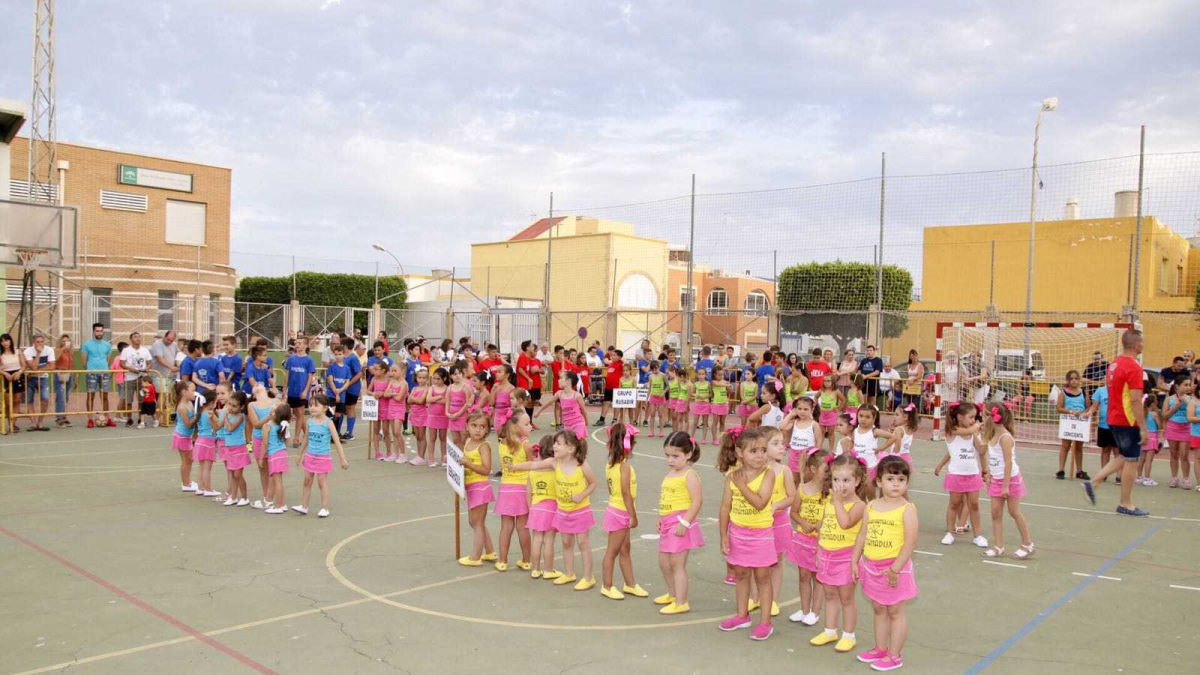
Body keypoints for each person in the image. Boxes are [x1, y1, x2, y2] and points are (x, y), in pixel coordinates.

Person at [851, 455, 920, 671]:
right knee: (879, 608)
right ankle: (880, 648)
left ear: (907, 483)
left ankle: (895, 655)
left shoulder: (907, 509)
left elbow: (910, 542)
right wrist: (854, 561)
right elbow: (862, 536)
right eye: (890, 479)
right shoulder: (871, 506)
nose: (896, 484)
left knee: (895, 611)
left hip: (894, 569)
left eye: (901, 480)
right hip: (872, 567)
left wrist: (895, 569)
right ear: (879, 481)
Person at [512, 430, 598, 590]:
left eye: (558, 444)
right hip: (563, 511)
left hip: (580, 510)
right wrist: (515, 467)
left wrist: (582, 495)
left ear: (570, 448)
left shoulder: (582, 465)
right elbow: (533, 465)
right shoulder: (554, 463)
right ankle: (569, 573)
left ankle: (588, 577)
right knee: (566, 543)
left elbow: (593, 483)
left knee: (583, 543)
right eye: (554, 443)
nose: (554, 446)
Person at [717, 427, 777, 640]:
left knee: (762, 577)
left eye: (763, 450)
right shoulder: (731, 477)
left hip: (760, 534)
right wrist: (724, 535)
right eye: (753, 451)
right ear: (739, 452)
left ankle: (766, 622)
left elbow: (760, 503)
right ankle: (742, 616)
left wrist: (742, 485)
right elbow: (725, 507)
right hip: (738, 534)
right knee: (741, 574)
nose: (760, 455)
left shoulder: (768, 474)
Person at [1083, 329, 1150, 516]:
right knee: (1132, 461)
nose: (1143, 345)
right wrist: (1143, 428)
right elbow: (1135, 400)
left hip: (1113, 416)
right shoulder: (1134, 367)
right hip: (1127, 419)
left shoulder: (1114, 364)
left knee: (1124, 456)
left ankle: (1094, 482)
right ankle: (1125, 504)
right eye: (1142, 342)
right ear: (1136, 345)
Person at [809, 452, 867, 653]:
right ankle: (830, 630)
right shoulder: (830, 501)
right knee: (830, 594)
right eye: (835, 480)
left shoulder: (859, 505)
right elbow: (824, 526)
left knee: (846, 598)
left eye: (846, 480)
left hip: (846, 557)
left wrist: (839, 503)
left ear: (857, 481)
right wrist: (819, 550)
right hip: (827, 555)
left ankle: (849, 635)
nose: (840, 485)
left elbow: (845, 523)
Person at [656, 432, 704, 615]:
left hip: (680, 523)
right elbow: (666, 497)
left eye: (675, 456)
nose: (670, 460)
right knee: (664, 562)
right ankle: (673, 594)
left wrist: (684, 522)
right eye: (667, 455)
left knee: (677, 564)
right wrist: (660, 517)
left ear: (688, 454)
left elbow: (697, 501)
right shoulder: (671, 473)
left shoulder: (690, 475)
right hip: (667, 522)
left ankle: (681, 602)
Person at [980, 402, 1035, 560]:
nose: (981, 417)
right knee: (995, 513)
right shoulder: (990, 434)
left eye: (984, 414)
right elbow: (987, 454)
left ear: (992, 417)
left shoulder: (1005, 437)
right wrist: (990, 475)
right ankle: (998, 546)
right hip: (996, 479)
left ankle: (1027, 544)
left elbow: (1008, 462)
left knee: (1014, 511)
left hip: (1010, 480)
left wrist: (1005, 486)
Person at [599, 423, 645, 601]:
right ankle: (607, 586)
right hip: (621, 512)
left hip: (616, 509)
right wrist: (633, 516)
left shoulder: (611, 465)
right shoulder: (624, 468)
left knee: (625, 548)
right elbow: (626, 493)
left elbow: (612, 490)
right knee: (612, 551)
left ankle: (630, 584)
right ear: (630, 445)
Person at [933, 401, 988, 548]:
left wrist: (986, 436)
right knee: (954, 504)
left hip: (972, 474)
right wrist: (978, 426)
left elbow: (982, 451)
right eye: (971, 417)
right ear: (959, 417)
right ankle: (950, 533)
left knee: (974, 505)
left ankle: (978, 535)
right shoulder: (952, 430)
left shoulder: (973, 433)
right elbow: (965, 434)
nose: (973, 420)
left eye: (975, 417)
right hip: (956, 474)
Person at [788, 447, 828, 627]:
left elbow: (835, 514)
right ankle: (804, 610)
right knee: (804, 576)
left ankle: (815, 612)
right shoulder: (802, 489)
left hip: (821, 542)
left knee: (818, 578)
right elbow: (794, 512)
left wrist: (824, 524)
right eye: (826, 470)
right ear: (813, 469)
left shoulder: (831, 493)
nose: (829, 474)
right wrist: (803, 522)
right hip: (803, 540)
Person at [293, 393, 350, 518]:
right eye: (310, 405)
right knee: (307, 481)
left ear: (325, 408)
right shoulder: (309, 422)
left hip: (323, 457)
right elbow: (306, 438)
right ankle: (304, 507)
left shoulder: (329, 423)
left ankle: (325, 508)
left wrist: (342, 459)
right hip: (310, 456)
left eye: (316, 405)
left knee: (321, 482)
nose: (312, 408)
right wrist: (299, 454)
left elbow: (337, 441)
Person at [456, 411, 497, 565]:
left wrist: (468, 464)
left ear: (487, 430)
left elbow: (486, 469)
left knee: (477, 523)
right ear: (467, 426)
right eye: (474, 425)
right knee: (474, 522)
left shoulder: (484, 446)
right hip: (471, 488)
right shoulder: (467, 441)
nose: (478, 430)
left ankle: (475, 557)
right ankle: (490, 552)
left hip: (480, 488)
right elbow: (464, 459)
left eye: (482, 427)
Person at [494, 411, 533, 572]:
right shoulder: (526, 445)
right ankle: (527, 560)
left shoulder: (501, 442)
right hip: (522, 489)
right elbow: (533, 466)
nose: (530, 426)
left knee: (506, 527)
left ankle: (502, 561)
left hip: (506, 489)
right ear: (515, 427)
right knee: (523, 528)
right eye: (526, 424)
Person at [525, 435, 559, 579]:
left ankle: (535, 569)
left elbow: (528, 492)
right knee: (549, 540)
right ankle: (548, 570)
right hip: (551, 507)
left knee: (537, 539)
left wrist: (530, 509)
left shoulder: (532, 470)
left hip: (535, 507)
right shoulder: (555, 470)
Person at [1055, 370, 1091, 480]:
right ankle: (1061, 470)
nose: (1074, 381)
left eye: (1076, 378)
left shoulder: (1084, 392)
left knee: (1079, 447)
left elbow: (1088, 407)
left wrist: (1083, 413)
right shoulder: (1063, 393)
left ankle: (1079, 471)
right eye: (1071, 379)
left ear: (1079, 380)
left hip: (1080, 422)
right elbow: (1059, 408)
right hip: (1068, 422)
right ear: (1068, 380)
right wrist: (1071, 411)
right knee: (1065, 446)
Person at [283, 337, 316, 449]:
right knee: (292, 414)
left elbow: (310, 377)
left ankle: (296, 438)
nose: (297, 345)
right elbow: (287, 375)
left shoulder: (309, 360)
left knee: (300, 414)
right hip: (292, 391)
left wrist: (306, 391)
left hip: (302, 392)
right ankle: (307, 435)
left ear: (305, 346)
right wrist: (284, 390)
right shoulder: (291, 359)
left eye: (300, 343)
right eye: (297, 343)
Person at [536, 370, 588, 441]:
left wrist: (586, 421)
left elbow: (583, 410)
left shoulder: (577, 395)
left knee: (576, 442)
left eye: (561, 378)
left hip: (578, 423)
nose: (558, 380)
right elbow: (548, 403)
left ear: (568, 381)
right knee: (569, 443)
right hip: (567, 425)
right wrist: (539, 411)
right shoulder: (559, 393)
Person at [220, 391, 252, 507]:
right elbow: (219, 426)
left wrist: (225, 417)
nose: (231, 408)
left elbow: (230, 428)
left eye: (234, 406)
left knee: (238, 475)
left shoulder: (241, 417)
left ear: (241, 407)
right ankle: (233, 497)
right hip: (229, 448)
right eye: (230, 404)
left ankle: (244, 497)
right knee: (233, 475)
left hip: (239, 448)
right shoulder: (229, 415)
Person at [1161, 376, 1192, 488]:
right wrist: (1176, 407)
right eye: (1185, 385)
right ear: (1177, 386)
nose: (1188, 387)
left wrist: (1188, 404)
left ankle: (1186, 478)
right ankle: (1174, 477)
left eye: (1189, 385)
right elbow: (1164, 416)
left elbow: (1194, 414)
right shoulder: (1169, 399)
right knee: (1173, 453)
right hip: (1172, 428)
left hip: (1186, 429)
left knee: (1184, 455)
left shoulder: (1191, 399)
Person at [262, 403, 292, 514]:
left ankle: (278, 506)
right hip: (282, 453)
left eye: (273, 410)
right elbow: (287, 442)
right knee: (279, 481)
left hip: (274, 455)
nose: (270, 412)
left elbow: (264, 444)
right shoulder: (282, 426)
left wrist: (260, 458)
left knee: (277, 482)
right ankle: (282, 504)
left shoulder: (268, 426)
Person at [23, 334, 55, 431]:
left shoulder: (49, 350)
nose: (40, 344)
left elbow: (52, 366)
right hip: (30, 378)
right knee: (29, 400)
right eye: (37, 342)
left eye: (42, 341)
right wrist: (38, 353)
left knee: (45, 399)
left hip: (43, 378)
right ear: (33, 342)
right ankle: (33, 423)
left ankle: (40, 422)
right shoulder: (27, 351)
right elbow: (33, 367)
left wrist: (37, 370)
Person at [120, 332, 153, 428]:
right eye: (135, 337)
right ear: (131, 339)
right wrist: (131, 369)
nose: (137, 338)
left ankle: (140, 419)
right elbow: (122, 363)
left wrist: (147, 368)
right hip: (130, 378)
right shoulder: (126, 350)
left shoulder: (145, 350)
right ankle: (129, 419)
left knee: (141, 400)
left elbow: (150, 362)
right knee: (129, 400)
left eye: (139, 337)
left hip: (141, 378)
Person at [171, 380, 198, 492]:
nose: (195, 393)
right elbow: (188, 424)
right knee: (186, 461)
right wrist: (198, 416)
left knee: (189, 460)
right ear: (184, 392)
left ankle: (188, 481)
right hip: (182, 436)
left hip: (187, 436)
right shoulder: (182, 407)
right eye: (193, 390)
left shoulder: (190, 403)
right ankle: (185, 484)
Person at [1, 334, 26, 430]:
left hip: (17, 376)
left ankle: (13, 424)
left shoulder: (18, 352)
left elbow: (23, 365)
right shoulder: (1, 354)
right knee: (8, 403)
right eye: (2, 341)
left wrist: (19, 372)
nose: (5, 343)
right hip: (6, 377)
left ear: (10, 341)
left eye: (6, 340)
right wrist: (5, 373)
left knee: (17, 400)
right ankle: (9, 422)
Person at [1137, 395, 1162, 486]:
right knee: (1149, 460)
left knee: (1141, 459)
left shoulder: (1142, 413)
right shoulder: (1154, 414)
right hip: (1152, 438)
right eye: (1156, 401)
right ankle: (1147, 478)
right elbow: (1160, 426)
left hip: (1143, 436)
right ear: (1152, 404)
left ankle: (1139, 477)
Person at [595, 349, 624, 426]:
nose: (612, 356)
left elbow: (628, 365)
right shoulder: (611, 364)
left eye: (614, 355)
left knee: (616, 404)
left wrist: (622, 360)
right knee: (606, 403)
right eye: (612, 355)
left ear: (619, 357)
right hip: (608, 387)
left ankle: (614, 419)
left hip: (616, 388)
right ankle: (602, 419)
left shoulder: (621, 364)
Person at [53, 335, 74, 427]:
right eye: (63, 341)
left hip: (68, 375)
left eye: (67, 341)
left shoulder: (70, 353)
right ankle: (59, 418)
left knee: (66, 397)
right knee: (60, 396)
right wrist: (62, 349)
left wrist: (74, 378)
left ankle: (64, 416)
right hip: (59, 375)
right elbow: (56, 358)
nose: (65, 343)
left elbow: (71, 365)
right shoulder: (57, 350)